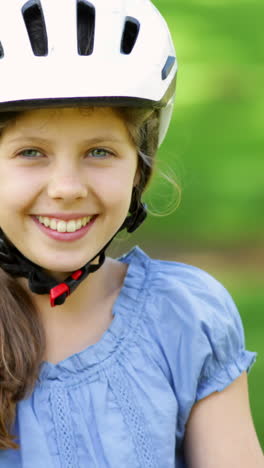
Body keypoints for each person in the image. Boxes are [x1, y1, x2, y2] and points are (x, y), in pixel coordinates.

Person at [0, 0, 262, 467]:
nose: (66, 188)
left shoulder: (182, 320)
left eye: (99, 151)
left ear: (139, 168)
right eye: (31, 152)